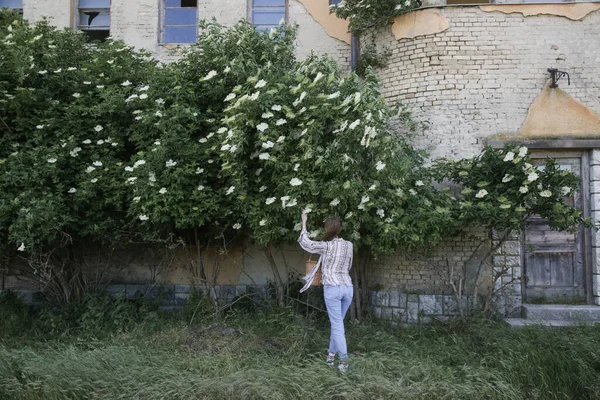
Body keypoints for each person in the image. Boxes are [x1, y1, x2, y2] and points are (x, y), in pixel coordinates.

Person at [298, 212, 354, 373]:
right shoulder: (349, 245)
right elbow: (349, 265)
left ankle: (343, 362)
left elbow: (305, 243)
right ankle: (330, 356)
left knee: (337, 326)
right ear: (340, 228)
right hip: (347, 288)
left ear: (327, 229)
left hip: (333, 288)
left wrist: (304, 222)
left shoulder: (326, 245)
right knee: (338, 324)